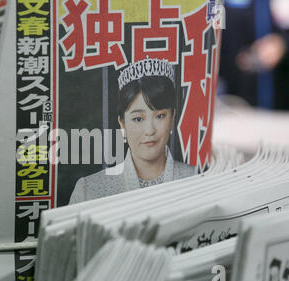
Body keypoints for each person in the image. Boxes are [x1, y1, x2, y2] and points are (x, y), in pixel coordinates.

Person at [69, 58, 196, 204]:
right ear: (122, 123)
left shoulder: (195, 177)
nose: (150, 131)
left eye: (160, 116)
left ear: (172, 117)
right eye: (138, 119)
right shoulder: (89, 189)